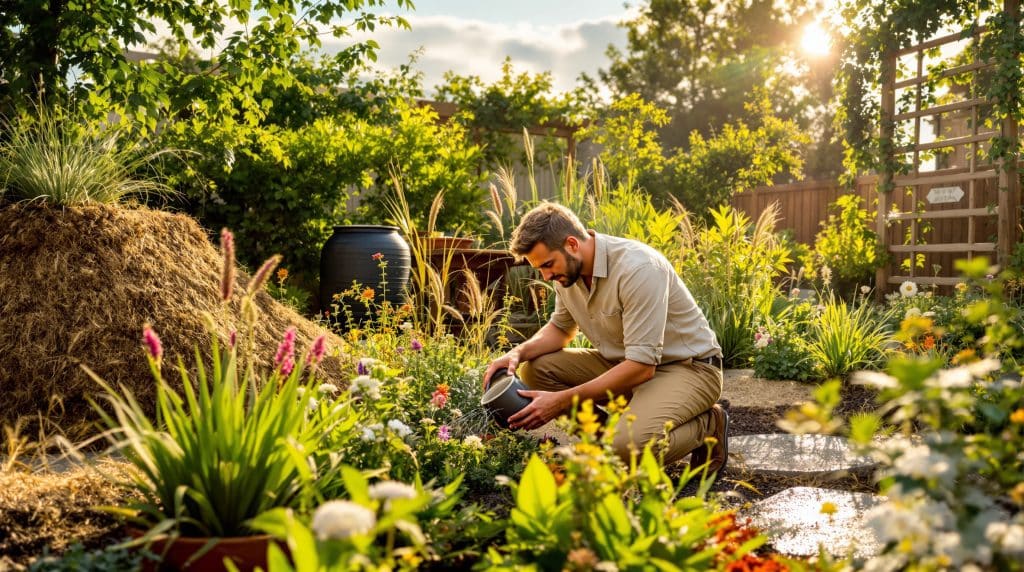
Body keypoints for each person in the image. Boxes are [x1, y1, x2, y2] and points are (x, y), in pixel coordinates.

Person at [483, 202, 728, 472]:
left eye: (548, 265)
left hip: (689, 369)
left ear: (572, 244)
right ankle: (610, 444)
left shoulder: (638, 268)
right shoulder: (568, 274)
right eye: (540, 269)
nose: (546, 276)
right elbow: (561, 329)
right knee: (536, 370)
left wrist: (562, 400)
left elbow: (642, 367)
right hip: (627, 365)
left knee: (628, 449)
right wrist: (516, 353)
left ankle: (708, 424)